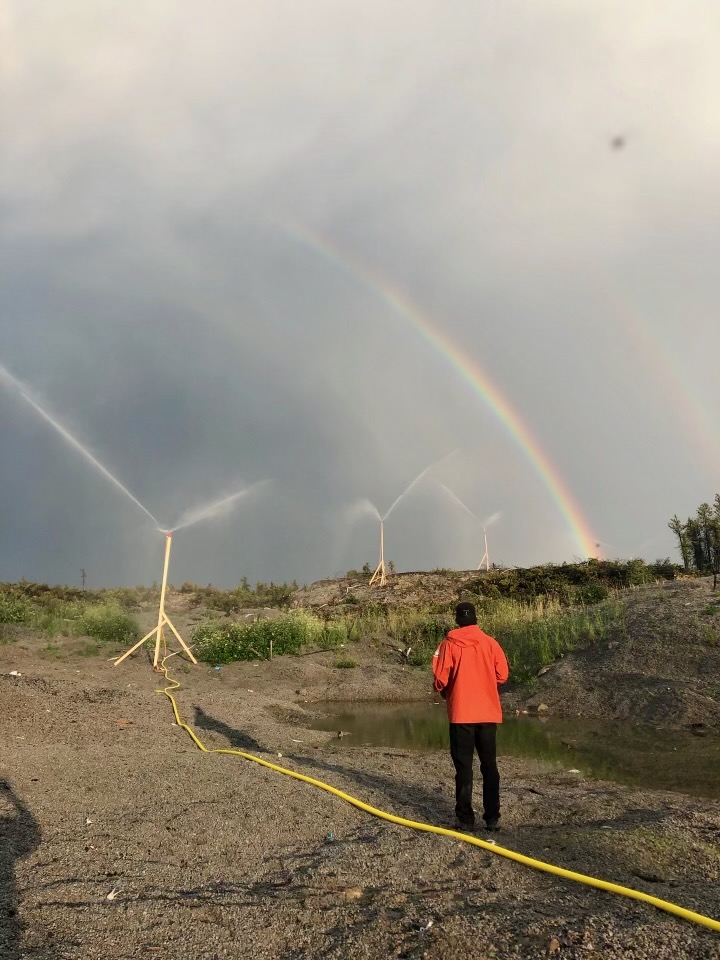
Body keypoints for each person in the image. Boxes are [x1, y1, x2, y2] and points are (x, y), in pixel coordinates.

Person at [432, 601, 509, 831]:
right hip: (488, 713)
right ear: (475, 618)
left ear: (457, 619)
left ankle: (465, 818)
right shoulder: (491, 643)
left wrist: (448, 688)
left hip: (461, 714)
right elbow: (502, 675)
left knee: (464, 768)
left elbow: (440, 680)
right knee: (489, 766)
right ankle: (492, 817)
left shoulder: (448, 644)